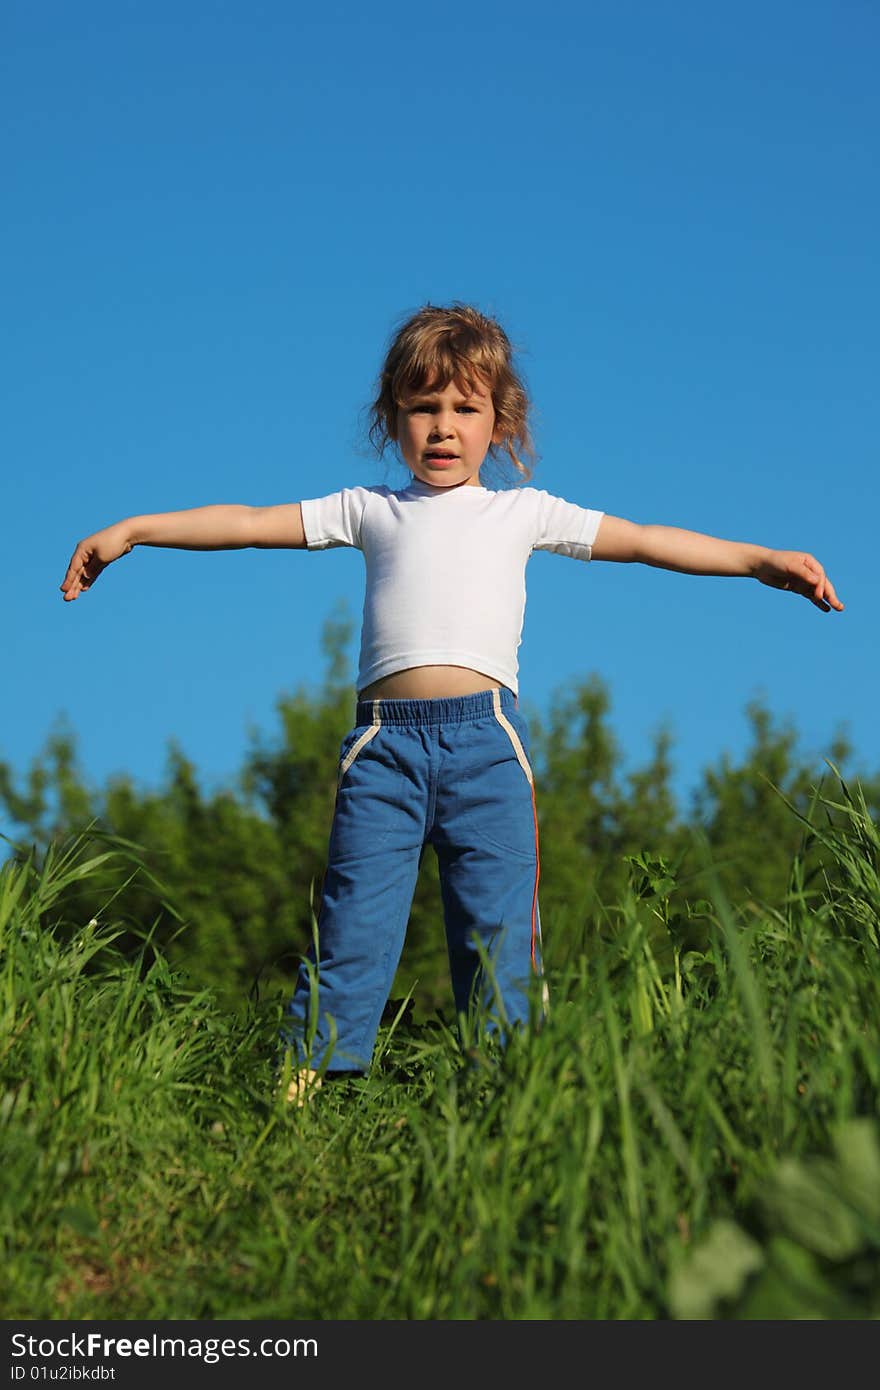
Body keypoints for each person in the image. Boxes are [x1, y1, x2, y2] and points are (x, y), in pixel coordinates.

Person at [60, 302, 844, 1101]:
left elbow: (644, 540)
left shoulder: (522, 512)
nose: (442, 428)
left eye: (464, 409)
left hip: (487, 747)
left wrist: (757, 560)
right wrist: (134, 531)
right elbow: (252, 522)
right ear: (391, 418)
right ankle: (298, 1102)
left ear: (498, 422)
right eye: (422, 408)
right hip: (383, 751)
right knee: (355, 925)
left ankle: (508, 1104)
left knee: (499, 935)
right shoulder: (371, 509)